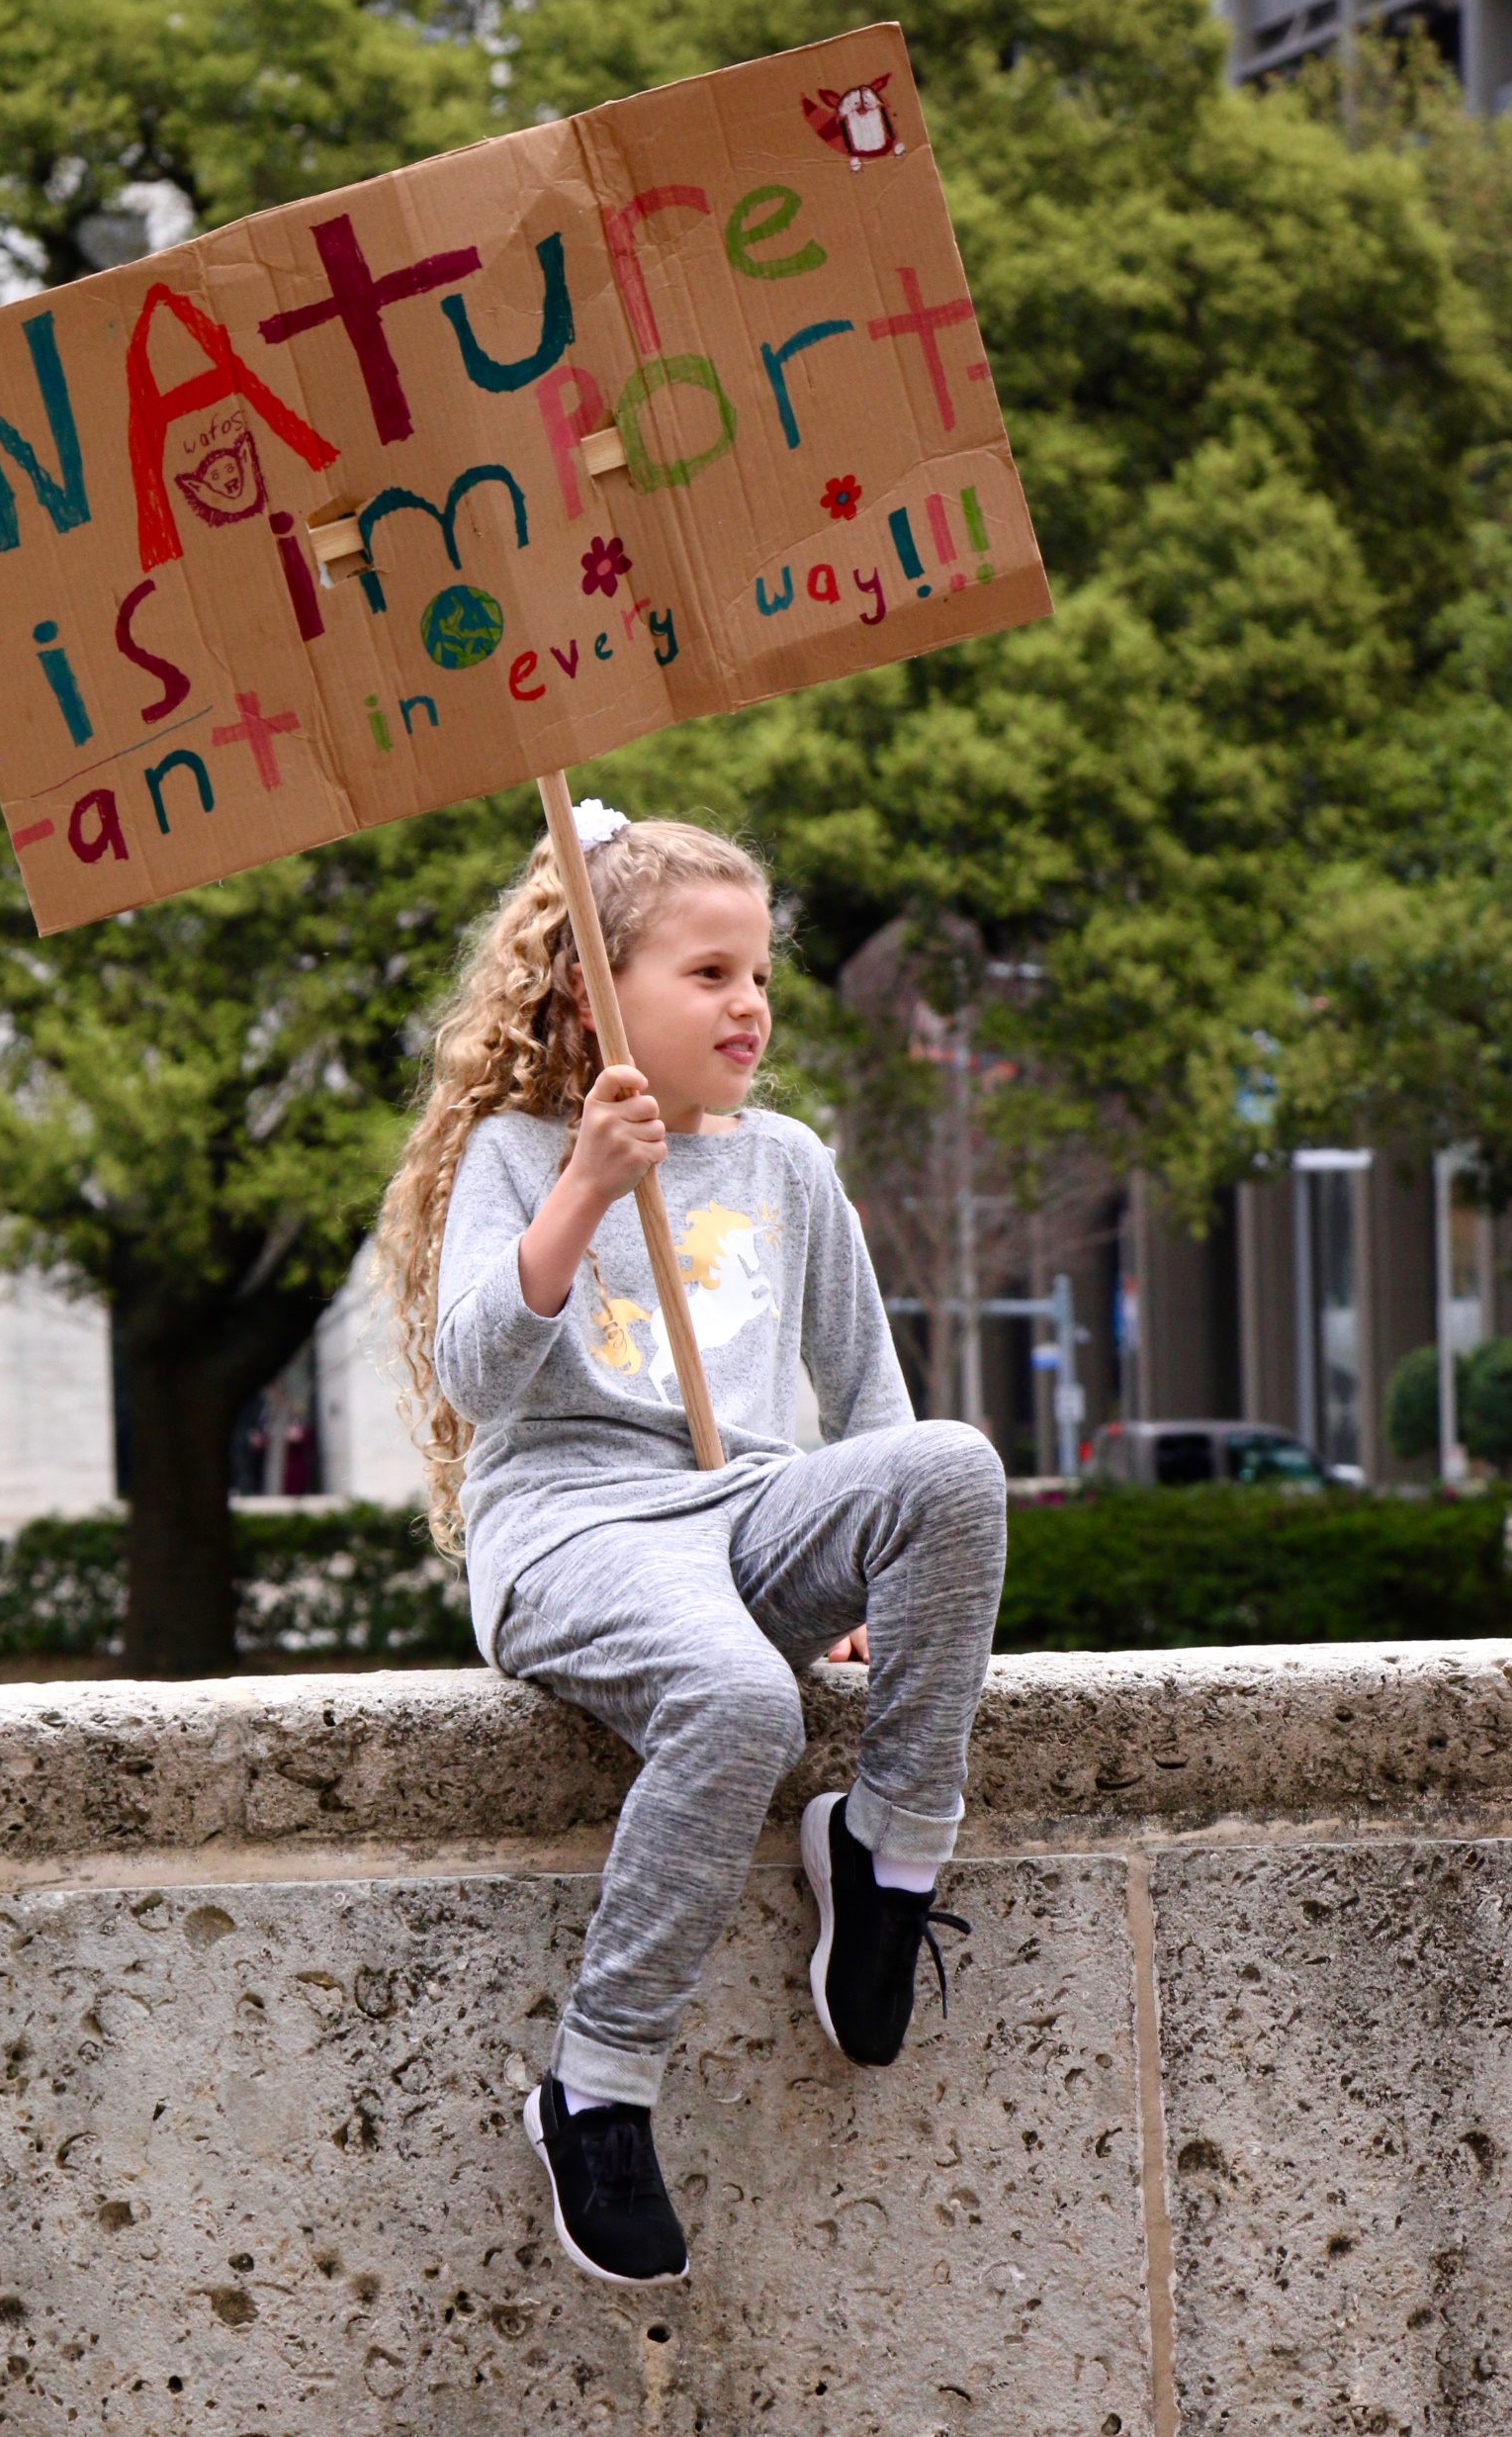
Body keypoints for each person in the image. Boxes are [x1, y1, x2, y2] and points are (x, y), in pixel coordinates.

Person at [374, 804, 1005, 2287]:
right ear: (599, 990)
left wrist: (876, 1577)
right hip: (574, 1527)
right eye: (709, 974)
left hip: (747, 1514)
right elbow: (477, 1379)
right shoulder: (519, 1153)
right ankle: (595, 2085)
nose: (750, 1007)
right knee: (735, 1701)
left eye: (761, 976)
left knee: (955, 1468)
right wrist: (588, 1184)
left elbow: (868, 1400)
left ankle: (886, 1848)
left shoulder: (783, 1160)